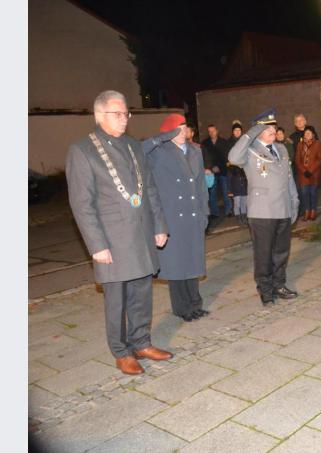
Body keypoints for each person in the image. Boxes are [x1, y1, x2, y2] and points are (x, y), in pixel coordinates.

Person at [65, 90, 173, 375]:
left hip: (140, 235)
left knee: (142, 293)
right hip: (111, 240)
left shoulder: (133, 146)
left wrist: (159, 225)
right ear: (99, 115)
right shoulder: (82, 150)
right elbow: (81, 203)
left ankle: (141, 342)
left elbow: (149, 189)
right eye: (117, 114)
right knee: (117, 300)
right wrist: (96, 245)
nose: (124, 119)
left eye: (126, 113)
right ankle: (121, 350)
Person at [228, 109, 300, 306]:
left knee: (281, 252)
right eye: (268, 129)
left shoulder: (282, 149)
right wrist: (251, 132)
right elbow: (233, 158)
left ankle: (279, 284)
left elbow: (289, 178)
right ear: (258, 131)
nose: (273, 131)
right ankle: (265, 290)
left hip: (283, 208)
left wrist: (294, 201)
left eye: (274, 128)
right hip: (262, 212)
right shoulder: (249, 151)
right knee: (264, 254)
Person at [143, 113, 210, 323]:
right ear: (169, 132)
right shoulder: (158, 151)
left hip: (193, 214)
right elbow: (136, 152)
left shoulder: (195, 151)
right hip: (172, 216)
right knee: (177, 265)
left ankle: (195, 304)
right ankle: (182, 308)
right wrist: (158, 138)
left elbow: (200, 186)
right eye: (178, 128)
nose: (183, 131)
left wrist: (204, 211)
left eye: (184, 127)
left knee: (193, 262)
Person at [202, 125, 232, 219]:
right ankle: (215, 212)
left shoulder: (223, 142)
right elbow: (204, 158)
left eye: (213, 131)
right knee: (212, 193)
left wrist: (219, 166)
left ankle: (228, 211)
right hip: (210, 172)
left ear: (217, 131)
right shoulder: (205, 143)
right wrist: (210, 168)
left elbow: (226, 157)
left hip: (222, 170)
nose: (211, 133)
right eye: (209, 131)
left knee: (225, 191)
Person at [295, 125, 321, 220]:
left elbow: (320, 159)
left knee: (313, 193)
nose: (307, 134)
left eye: (309, 133)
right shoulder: (300, 145)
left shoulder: (317, 144)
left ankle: (313, 211)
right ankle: (307, 211)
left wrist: (310, 170)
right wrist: (304, 170)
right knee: (304, 193)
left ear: (313, 134)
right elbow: (297, 160)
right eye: (306, 133)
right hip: (303, 174)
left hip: (314, 173)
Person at [227, 123, 249, 224]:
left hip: (243, 170)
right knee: (237, 202)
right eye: (235, 130)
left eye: (239, 130)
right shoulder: (229, 143)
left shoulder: (245, 142)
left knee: (244, 201)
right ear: (232, 132)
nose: (237, 132)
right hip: (233, 170)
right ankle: (238, 216)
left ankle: (244, 216)